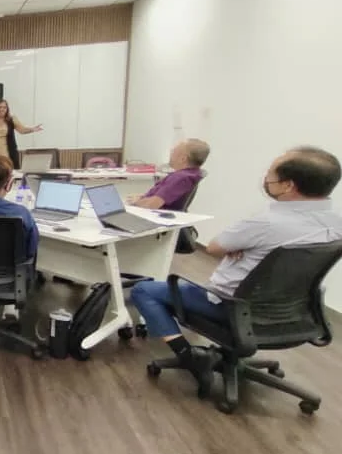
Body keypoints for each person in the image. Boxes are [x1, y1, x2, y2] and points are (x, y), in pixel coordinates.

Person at [130, 147, 342, 387]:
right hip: (295, 311)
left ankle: (188, 357)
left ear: (287, 186)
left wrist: (240, 247)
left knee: (144, 290)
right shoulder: (336, 223)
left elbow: (214, 247)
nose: (266, 178)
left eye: (270, 173)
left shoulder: (265, 223)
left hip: (231, 307)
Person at [129, 139, 210, 210]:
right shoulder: (191, 174)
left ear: (183, 159)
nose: (171, 153)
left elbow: (152, 204)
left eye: (174, 151)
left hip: (152, 215)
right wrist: (142, 198)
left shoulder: (179, 178)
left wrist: (135, 202)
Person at [0, 99, 42, 168]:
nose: (2, 109)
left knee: (12, 171)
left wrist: (32, 129)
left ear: (7, 109)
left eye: (4, 107)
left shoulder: (12, 119)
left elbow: (22, 130)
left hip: (10, 152)